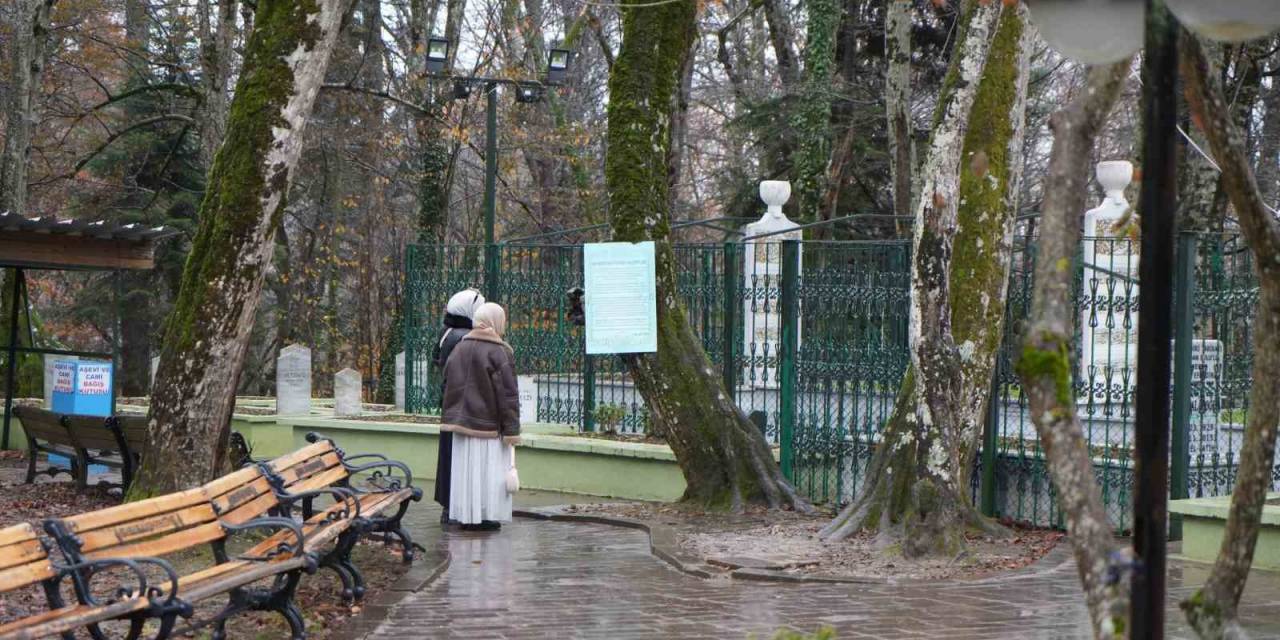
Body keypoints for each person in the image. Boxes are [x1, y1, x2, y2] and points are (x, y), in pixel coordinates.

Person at [441, 302, 519, 531]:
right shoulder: (500, 351)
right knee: (488, 473)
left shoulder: (459, 348)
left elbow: (446, 380)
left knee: (466, 473)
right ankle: (486, 516)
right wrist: (512, 430)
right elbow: (508, 394)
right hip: (488, 426)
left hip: (460, 424)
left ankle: (467, 516)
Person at [432, 288, 485, 523]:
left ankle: (448, 505)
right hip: (462, 404)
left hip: (450, 402)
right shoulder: (465, 336)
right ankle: (455, 508)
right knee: (458, 457)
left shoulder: (448, 332)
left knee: (448, 455)